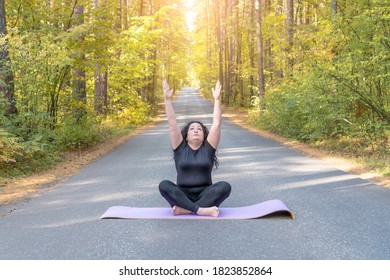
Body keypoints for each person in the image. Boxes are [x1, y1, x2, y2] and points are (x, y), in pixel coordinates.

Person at [158, 79, 231, 217]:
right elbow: (172, 124)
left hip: (206, 194)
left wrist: (217, 100)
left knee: (225, 186)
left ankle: (185, 209)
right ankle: (200, 210)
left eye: (200, 129)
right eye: (192, 129)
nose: (196, 130)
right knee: (164, 185)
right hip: (182, 194)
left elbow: (216, 124)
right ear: (185, 136)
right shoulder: (180, 148)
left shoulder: (208, 149)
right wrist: (167, 99)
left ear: (205, 136)